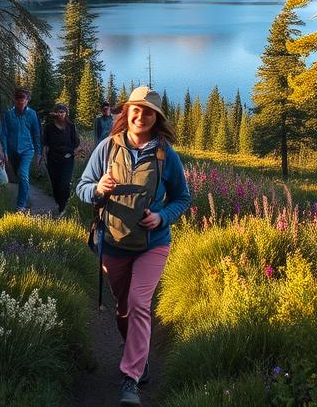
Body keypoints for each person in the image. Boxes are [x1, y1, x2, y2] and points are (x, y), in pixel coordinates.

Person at [76, 86, 191, 407]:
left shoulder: (166, 155)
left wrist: (162, 216)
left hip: (152, 244)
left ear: (157, 118)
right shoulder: (106, 148)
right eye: (136, 110)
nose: (141, 116)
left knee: (140, 303)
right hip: (113, 243)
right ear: (126, 112)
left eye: (149, 112)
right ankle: (138, 354)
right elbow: (82, 188)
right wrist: (98, 188)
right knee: (123, 308)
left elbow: (183, 198)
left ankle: (131, 378)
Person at [1, 87, 41, 212]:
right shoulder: (8, 114)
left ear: (27, 100)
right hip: (12, 151)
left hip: (27, 150)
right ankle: (25, 198)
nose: (21, 103)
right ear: (15, 100)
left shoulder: (32, 114)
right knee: (19, 176)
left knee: (23, 173)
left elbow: (36, 133)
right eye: (18, 100)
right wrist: (5, 152)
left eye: (23, 100)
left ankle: (20, 205)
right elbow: (4, 134)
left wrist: (38, 152)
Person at [42, 103, 81, 217]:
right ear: (55, 113)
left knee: (64, 184)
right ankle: (60, 206)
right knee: (55, 185)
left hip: (67, 159)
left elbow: (76, 142)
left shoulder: (71, 126)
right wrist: (43, 157)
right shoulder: (49, 127)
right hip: (53, 159)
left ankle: (65, 207)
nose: (61, 114)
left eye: (63, 112)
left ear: (66, 113)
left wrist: (72, 152)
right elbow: (45, 143)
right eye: (59, 112)